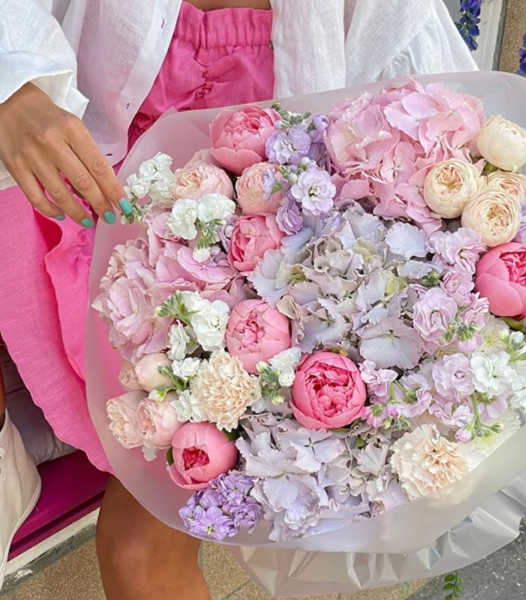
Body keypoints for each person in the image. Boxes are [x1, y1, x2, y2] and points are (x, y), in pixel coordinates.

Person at [0, 1, 477, 598]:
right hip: (74, 204)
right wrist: (13, 87)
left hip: (251, 290)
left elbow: (440, 117)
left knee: (139, 554)